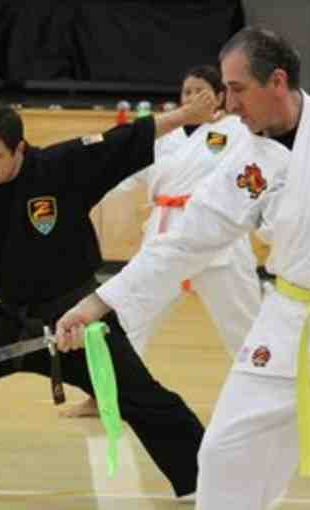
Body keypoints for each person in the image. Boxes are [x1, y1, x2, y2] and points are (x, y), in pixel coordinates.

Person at [55, 26, 310, 510]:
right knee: (225, 454)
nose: (228, 103)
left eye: (237, 88)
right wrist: (97, 302)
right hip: (290, 322)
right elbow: (186, 241)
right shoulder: (244, 161)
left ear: (277, 81)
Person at [0, 94, 220, 501]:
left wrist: (186, 115)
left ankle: (210, 481)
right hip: (12, 323)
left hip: (77, 322)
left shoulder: (60, 167)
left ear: (19, 148)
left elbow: (124, 140)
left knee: (143, 399)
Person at [61, 65, 271, 418]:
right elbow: (125, 171)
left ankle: (270, 394)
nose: (192, 98)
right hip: (165, 236)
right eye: (187, 92)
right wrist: (88, 192)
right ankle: (103, 396)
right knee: (130, 318)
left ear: (220, 96)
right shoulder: (163, 134)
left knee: (245, 324)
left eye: (201, 91)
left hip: (217, 238)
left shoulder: (237, 129)